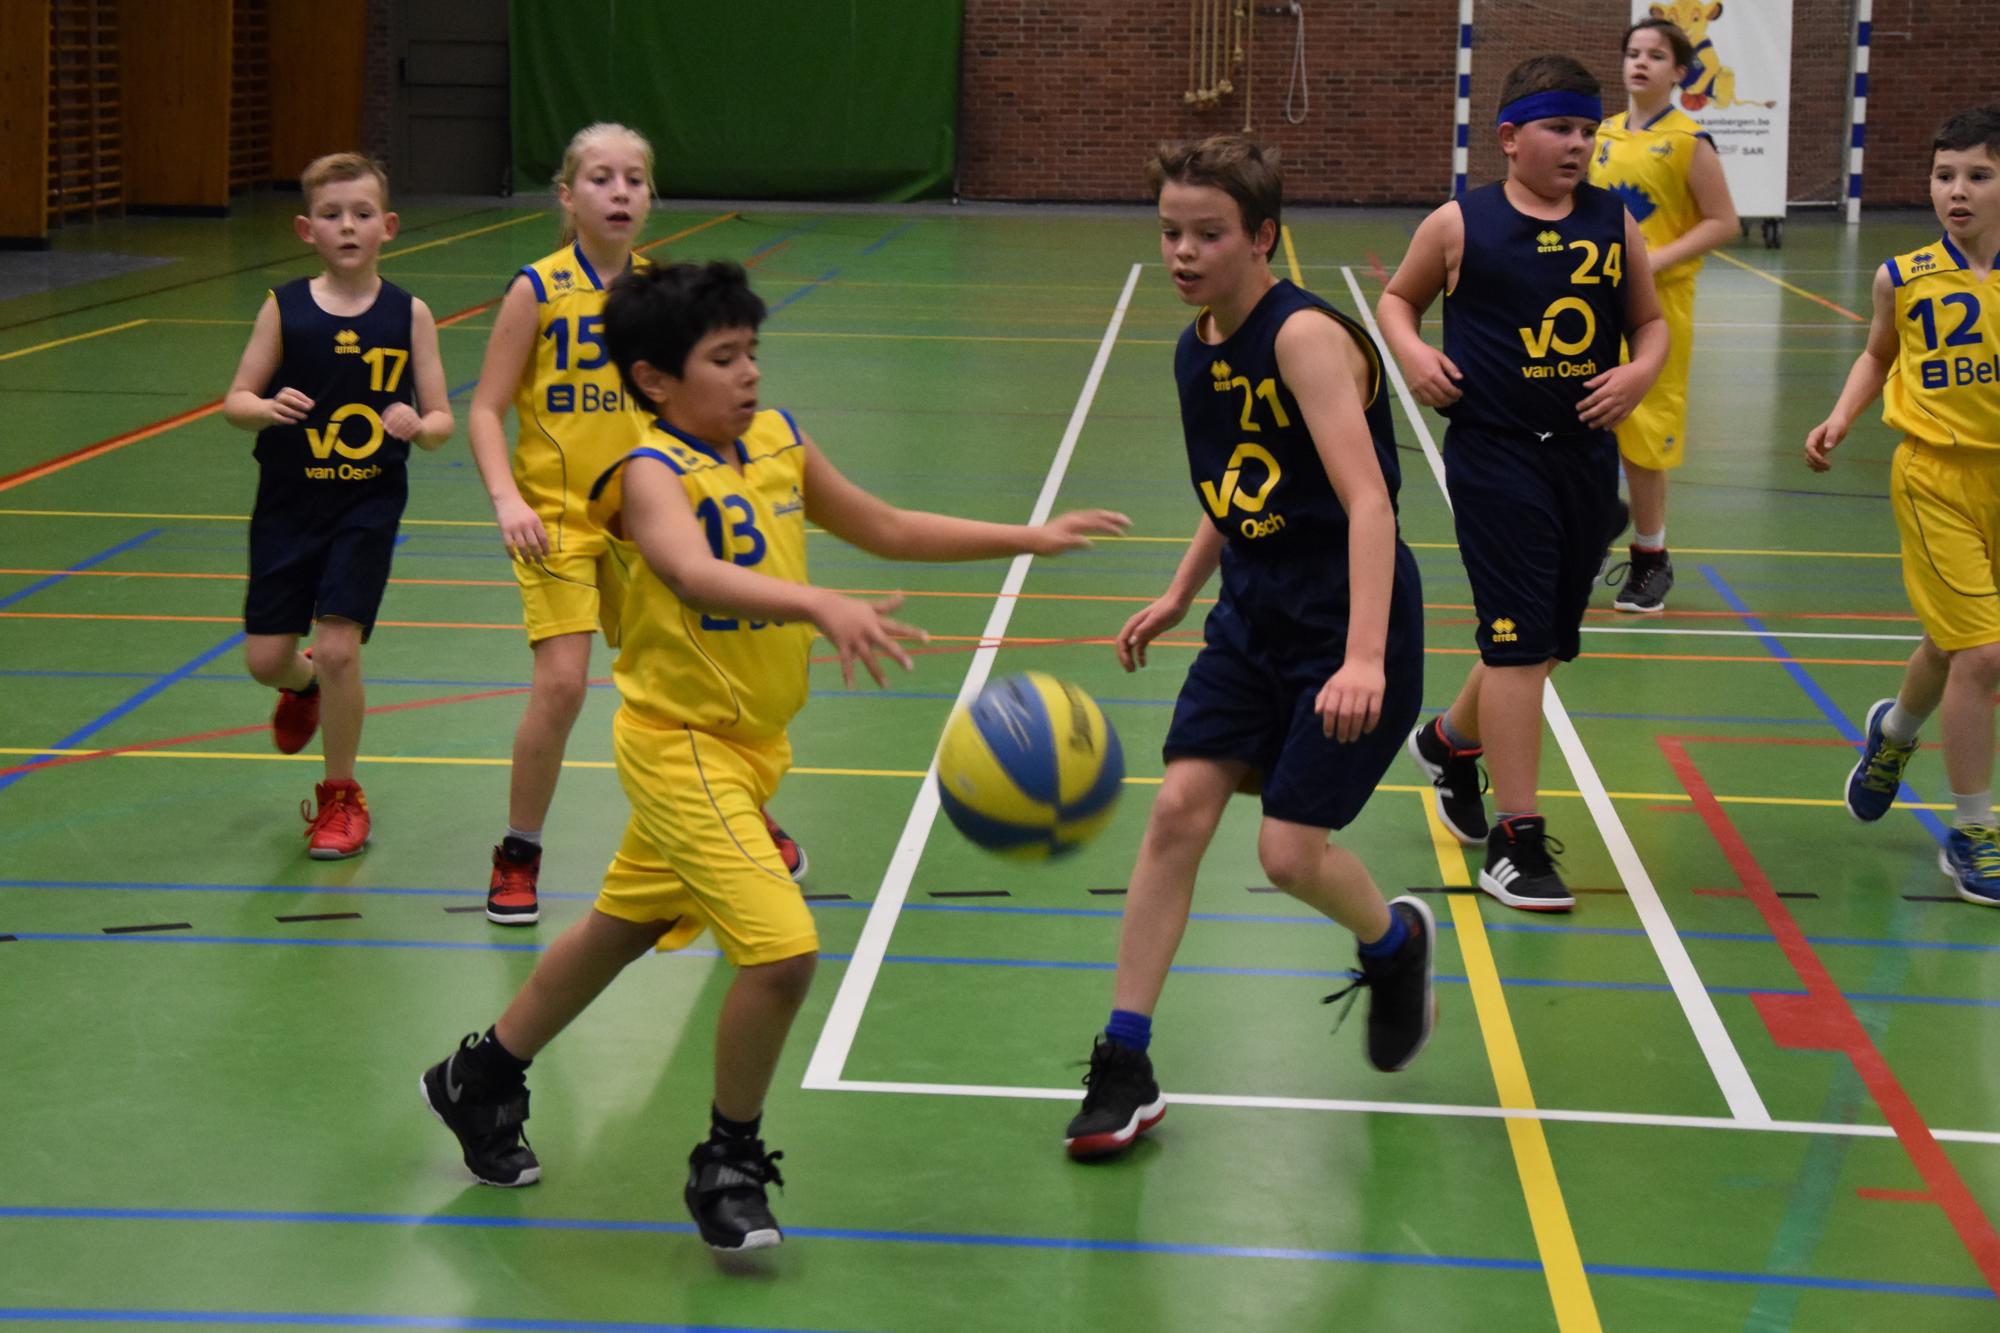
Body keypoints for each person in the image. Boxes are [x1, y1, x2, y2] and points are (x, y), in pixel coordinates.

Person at [421, 259, 1127, 1249]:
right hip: (679, 747)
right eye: (723, 358)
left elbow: (884, 526)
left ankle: (479, 1075)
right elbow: (689, 570)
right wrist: (817, 602)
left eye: (751, 351)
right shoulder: (647, 472)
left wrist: (1028, 536)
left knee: (621, 927)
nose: (748, 372)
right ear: (655, 379)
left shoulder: (780, 441)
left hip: (752, 750)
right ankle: (728, 1161)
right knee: (783, 952)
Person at [1060, 135, 1437, 1163]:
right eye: (1170, 233)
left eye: (1208, 234)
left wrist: (1363, 658)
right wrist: (1180, 591)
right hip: (1252, 609)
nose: (1183, 253)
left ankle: (1394, 942)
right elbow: (1238, 484)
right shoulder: (1196, 350)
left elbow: (1369, 503)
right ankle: (1124, 1060)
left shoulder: (1303, 337)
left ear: (1263, 236)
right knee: (1177, 808)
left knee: (1286, 853)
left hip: (1346, 615)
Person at [465, 122, 808, 928]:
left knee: (694, 677)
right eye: (601, 179)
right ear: (567, 195)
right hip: (555, 519)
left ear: (651, 197)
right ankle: (518, 849)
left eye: (634, 180)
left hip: (651, 516)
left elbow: (701, 400)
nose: (619, 193)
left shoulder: (663, 295)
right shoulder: (538, 288)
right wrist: (507, 499)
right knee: (560, 686)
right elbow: (484, 407)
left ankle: (736, 807)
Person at [1379, 55, 1667, 910]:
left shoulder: (1614, 221)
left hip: (1584, 458)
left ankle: (1448, 741)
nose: (1578, 145)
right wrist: (1413, 352)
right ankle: (1517, 839)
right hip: (1495, 455)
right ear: (1509, 138)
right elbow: (1397, 301)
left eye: (1588, 131)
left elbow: (1650, 322)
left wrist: (1640, 373)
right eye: (1559, 129)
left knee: (1540, 645)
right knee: (1514, 644)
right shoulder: (1459, 224)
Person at [221, 152, 453, 860]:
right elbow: (235, 401)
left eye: (361, 214)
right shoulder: (282, 307)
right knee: (267, 659)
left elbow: (441, 418)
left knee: (338, 648)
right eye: (331, 214)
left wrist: (419, 425)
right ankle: (303, 688)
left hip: (366, 505)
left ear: (388, 226)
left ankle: (342, 796)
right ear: (306, 229)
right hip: (288, 505)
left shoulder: (409, 313)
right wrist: (265, 408)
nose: (347, 226)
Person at [1806, 104, 2000, 906]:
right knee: (1985, 654)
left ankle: (1892, 734)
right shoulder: (1903, 276)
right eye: (1944, 175)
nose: (1957, 191)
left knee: (1951, 645)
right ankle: (1972, 831)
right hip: (1935, 478)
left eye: (1979, 176)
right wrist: (1842, 415)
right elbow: (1878, 353)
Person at [1589, 17, 1740, 612]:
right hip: (1593, 303)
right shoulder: (1600, 134)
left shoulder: (1688, 140)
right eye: (1633, 52)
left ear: (1679, 72)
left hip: (1657, 307)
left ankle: (1651, 557)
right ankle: (1599, 518)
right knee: (1584, 414)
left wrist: (1652, 260)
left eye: (1655, 55)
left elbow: (1722, 222)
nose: (1640, 62)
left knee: (1644, 436)